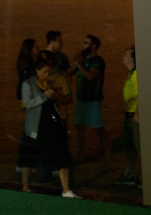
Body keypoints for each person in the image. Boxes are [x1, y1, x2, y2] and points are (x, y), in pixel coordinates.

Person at [18, 53, 79, 198]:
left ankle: (66, 190)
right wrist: (44, 96)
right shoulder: (28, 84)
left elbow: (60, 101)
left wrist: (57, 97)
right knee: (28, 157)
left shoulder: (50, 83)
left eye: (48, 72)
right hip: (35, 126)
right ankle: (25, 187)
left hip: (52, 124)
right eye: (44, 72)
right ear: (37, 71)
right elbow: (28, 104)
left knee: (62, 154)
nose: (47, 75)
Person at [72, 34, 109, 166]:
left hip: (93, 101)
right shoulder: (83, 58)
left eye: (86, 43)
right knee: (79, 127)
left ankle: (107, 154)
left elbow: (91, 76)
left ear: (94, 46)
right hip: (81, 100)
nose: (84, 46)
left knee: (99, 128)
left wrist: (80, 64)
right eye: (84, 43)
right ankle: (81, 153)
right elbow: (70, 72)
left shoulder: (98, 61)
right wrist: (75, 62)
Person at [114, 46, 141, 187]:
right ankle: (129, 173)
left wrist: (137, 114)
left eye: (126, 55)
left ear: (134, 59)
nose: (123, 57)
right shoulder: (131, 73)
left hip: (135, 117)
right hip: (129, 115)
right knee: (130, 147)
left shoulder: (138, 75)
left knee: (140, 147)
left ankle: (144, 176)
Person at [44, 31, 74, 123]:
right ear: (52, 42)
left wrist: (76, 65)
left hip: (59, 93)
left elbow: (68, 73)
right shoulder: (42, 56)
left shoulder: (62, 57)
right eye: (60, 41)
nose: (62, 43)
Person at [15, 38, 39, 103]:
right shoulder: (29, 62)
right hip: (28, 92)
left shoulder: (24, 61)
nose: (38, 48)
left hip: (23, 91)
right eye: (35, 46)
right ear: (30, 48)